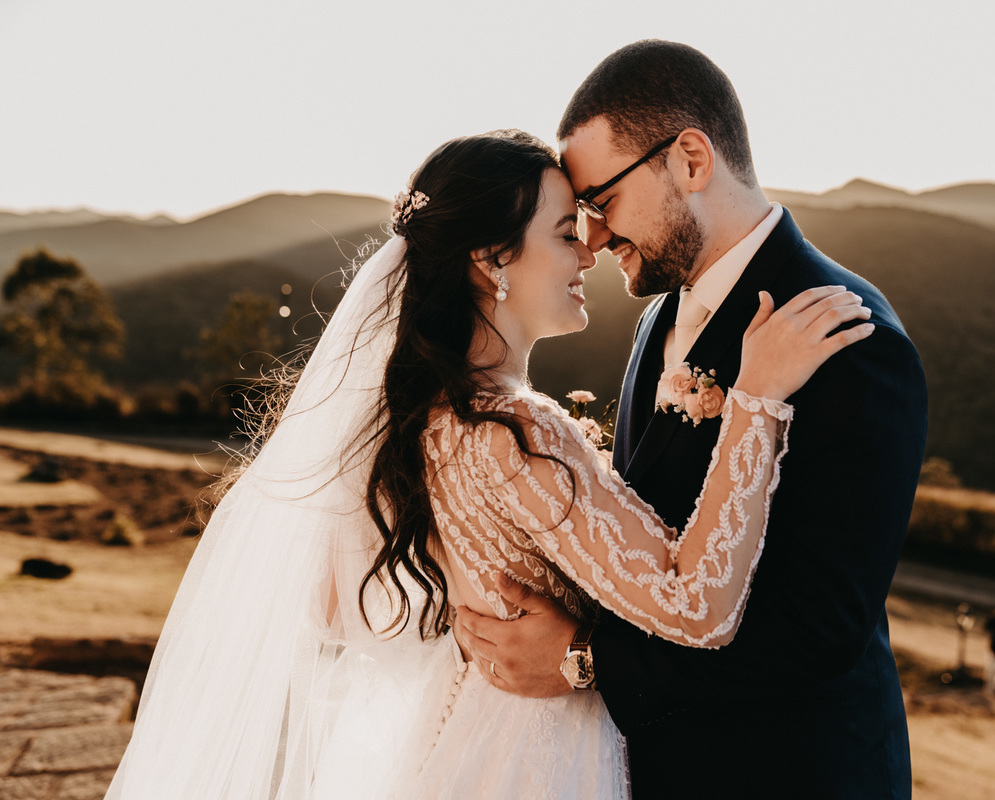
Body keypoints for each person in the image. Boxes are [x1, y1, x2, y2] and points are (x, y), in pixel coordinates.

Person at [105, 129, 874, 799]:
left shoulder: (425, 416)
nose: (590, 250)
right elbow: (696, 604)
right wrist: (756, 404)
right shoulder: (515, 431)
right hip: (540, 759)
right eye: (565, 232)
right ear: (490, 258)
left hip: (459, 733)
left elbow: (333, 605)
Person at [455, 41, 928, 798]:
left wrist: (583, 660)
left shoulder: (847, 336)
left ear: (691, 161)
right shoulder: (659, 316)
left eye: (601, 201)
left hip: (788, 774)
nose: (593, 237)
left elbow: (818, 631)